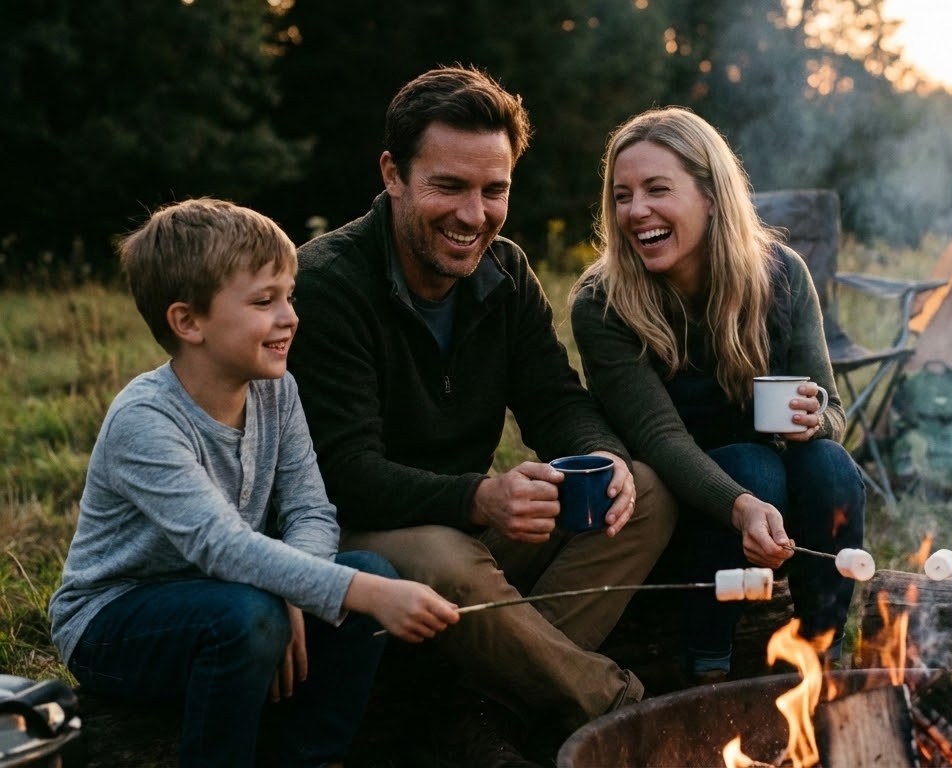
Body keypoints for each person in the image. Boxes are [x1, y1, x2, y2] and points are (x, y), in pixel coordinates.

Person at [286, 64, 677, 763]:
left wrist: (604, 455)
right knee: (448, 558)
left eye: (494, 190)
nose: (474, 215)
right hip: (365, 540)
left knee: (643, 493)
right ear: (392, 173)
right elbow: (342, 472)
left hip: (467, 524)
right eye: (448, 186)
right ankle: (618, 711)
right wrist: (480, 497)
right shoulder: (327, 283)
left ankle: (478, 705)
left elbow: (554, 400)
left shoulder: (507, 271)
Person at [48, 198, 460, 768]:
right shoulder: (145, 419)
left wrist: (303, 591)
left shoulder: (275, 390)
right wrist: (319, 594)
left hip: (243, 598)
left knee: (371, 572)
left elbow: (312, 511)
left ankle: (311, 757)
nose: (290, 316)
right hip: (118, 623)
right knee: (279, 610)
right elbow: (219, 544)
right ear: (188, 322)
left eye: (289, 296)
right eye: (265, 301)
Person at [569, 107, 865, 685]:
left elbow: (833, 410)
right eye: (623, 195)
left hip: (773, 519)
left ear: (711, 196)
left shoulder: (780, 274)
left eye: (658, 190)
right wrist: (742, 503)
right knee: (753, 465)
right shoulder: (604, 303)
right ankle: (707, 668)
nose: (636, 212)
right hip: (670, 514)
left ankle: (820, 658)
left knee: (830, 465)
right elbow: (660, 439)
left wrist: (816, 420)